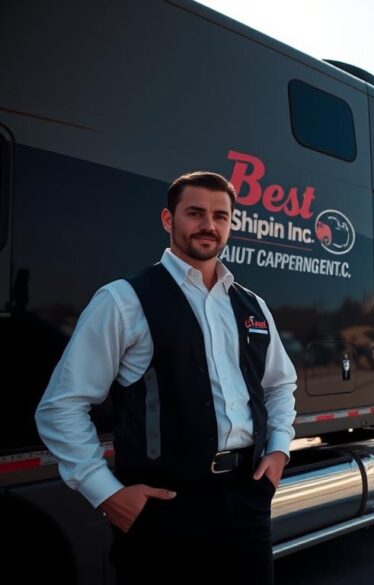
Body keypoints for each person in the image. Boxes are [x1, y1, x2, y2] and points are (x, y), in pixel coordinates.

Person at [35, 171, 297, 585]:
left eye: (220, 216)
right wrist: (105, 493)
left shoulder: (252, 306)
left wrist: (279, 450)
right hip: (164, 509)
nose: (209, 225)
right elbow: (61, 406)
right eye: (194, 213)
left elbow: (280, 384)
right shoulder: (123, 300)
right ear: (167, 219)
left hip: (247, 500)